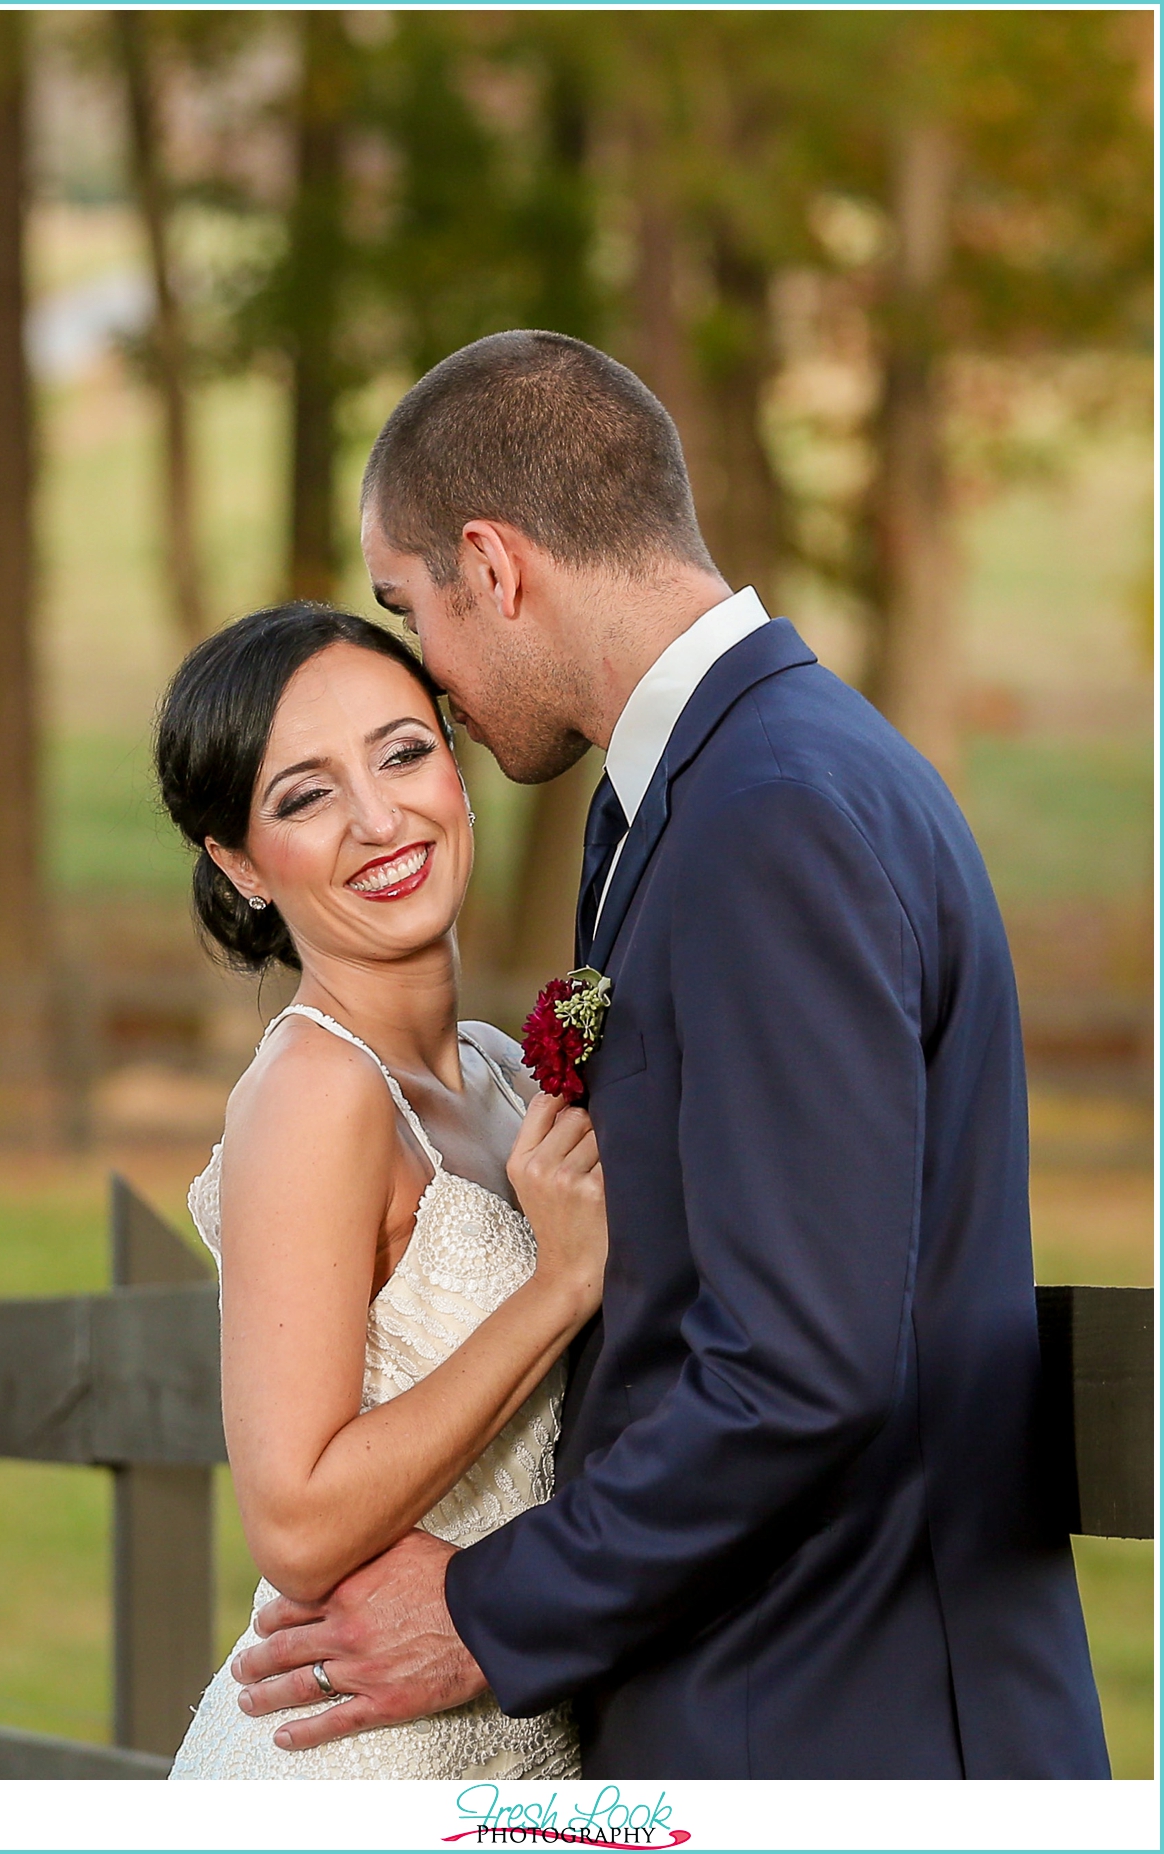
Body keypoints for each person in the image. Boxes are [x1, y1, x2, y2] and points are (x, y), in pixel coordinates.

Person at [231, 331, 1109, 1778]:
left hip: (835, 1720)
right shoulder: (709, 788)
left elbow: (803, 1362)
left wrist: (480, 1607)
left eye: (411, 608)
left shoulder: (773, 814)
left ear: (496, 567)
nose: (430, 677)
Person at [156, 602, 604, 1779]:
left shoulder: (507, 1067)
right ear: (240, 864)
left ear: (454, 769)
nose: (377, 817)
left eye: (402, 752)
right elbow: (297, 1522)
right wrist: (556, 1290)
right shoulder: (315, 1092)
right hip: (360, 1755)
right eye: (303, 796)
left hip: (509, 1726)